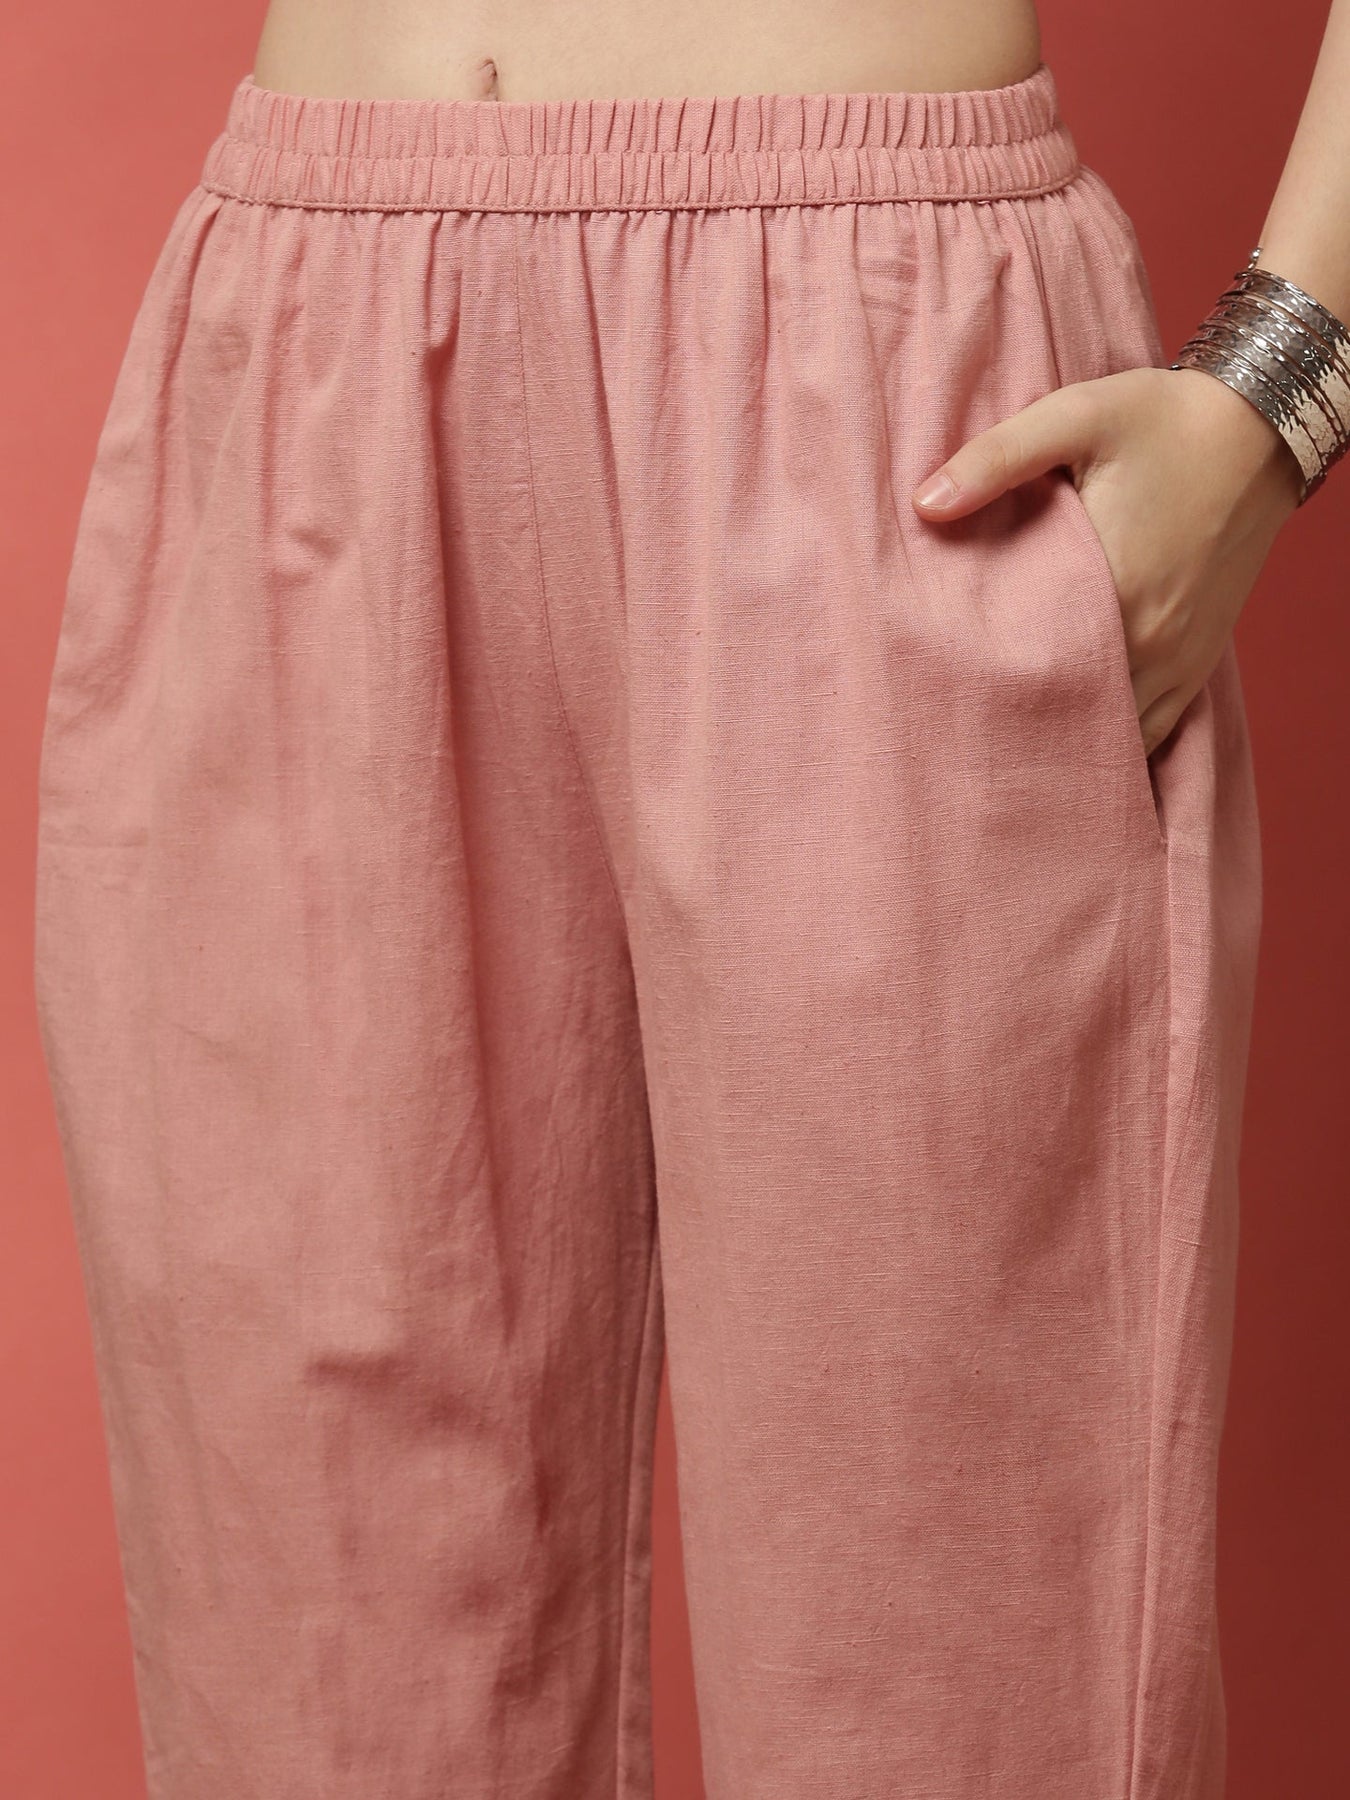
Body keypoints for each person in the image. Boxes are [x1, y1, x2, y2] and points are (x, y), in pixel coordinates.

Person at [31, 0, 1348, 1795]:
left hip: (880, 389)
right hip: (315, 388)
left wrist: (1282, 384)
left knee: (968, 1682)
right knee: (320, 1692)